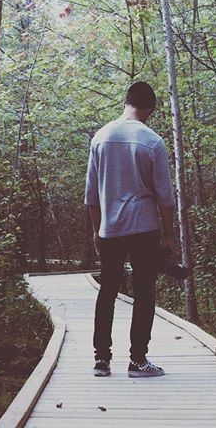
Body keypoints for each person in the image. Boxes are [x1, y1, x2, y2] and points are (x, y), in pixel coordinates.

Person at [84, 81, 176, 378]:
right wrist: (169, 235)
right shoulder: (152, 141)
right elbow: (165, 196)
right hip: (143, 227)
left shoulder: (100, 137)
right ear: (148, 108)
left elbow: (91, 195)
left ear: (126, 101)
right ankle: (138, 361)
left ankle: (101, 359)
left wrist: (97, 231)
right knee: (144, 292)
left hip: (110, 228)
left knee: (107, 291)